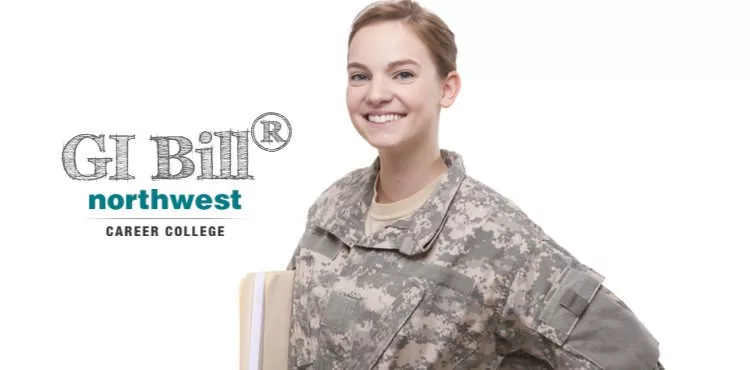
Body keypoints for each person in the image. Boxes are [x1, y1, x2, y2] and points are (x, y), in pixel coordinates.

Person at [286, 0, 664, 368]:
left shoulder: (496, 237)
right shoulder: (332, 207)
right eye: (360, 75)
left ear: (447, 88)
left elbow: (629, 356)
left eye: (403, 74)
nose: (376, 93)